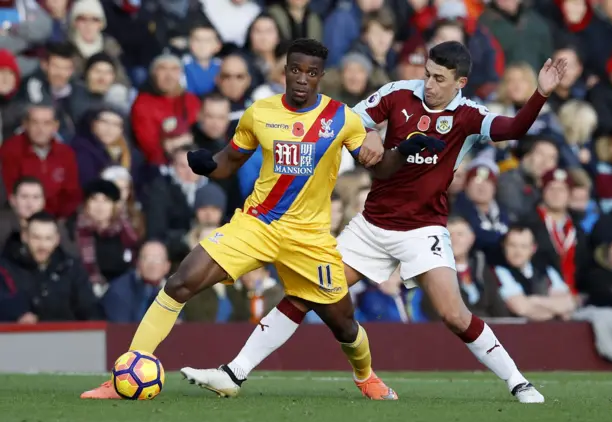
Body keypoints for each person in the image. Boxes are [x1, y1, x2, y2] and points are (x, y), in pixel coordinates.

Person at [188, 41, 567, 404]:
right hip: (371, 226)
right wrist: (368, 132)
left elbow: (515, 128)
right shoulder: (399, 93)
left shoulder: (468, 115)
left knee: (454, 315)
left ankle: (518, 382)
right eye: (427, 73)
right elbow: (346, 122)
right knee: (305, 295)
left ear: (460, 83)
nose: (429, 84)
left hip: (423, 230)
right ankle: (234, 372)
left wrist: (541, 94)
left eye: (439, 79)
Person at [80, 38, 436, 401]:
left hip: (309, 237)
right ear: (284, 71)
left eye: (311, 73)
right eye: (295, 70)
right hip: (257, 224)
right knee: (180, 282)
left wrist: (403, 151)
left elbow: (380, 168)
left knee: (343, 322)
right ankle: (123, 374)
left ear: (321, 77)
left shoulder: (341, 119)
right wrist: (206, 165)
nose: (302, 78)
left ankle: (366, 377)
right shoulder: (259, 113)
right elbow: (228, 162)